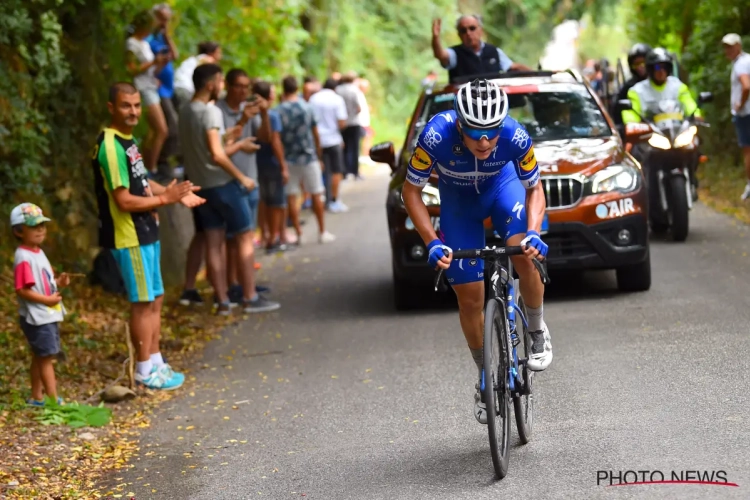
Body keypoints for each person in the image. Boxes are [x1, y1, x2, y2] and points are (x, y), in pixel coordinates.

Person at [402, 79, 551, 424]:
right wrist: (432, 241)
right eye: (474, 132)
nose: (484, 141)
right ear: (459, 124)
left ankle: (537, 330)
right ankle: (485, 376)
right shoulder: (435, 136)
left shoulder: (515, 135)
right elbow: (411, 192)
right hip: (458, 203)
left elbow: (535, 189)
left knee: (522, 255)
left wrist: (532, 231)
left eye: (491, 132)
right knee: (469, 297)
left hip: (502, 189)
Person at [92, 82, 205, 389]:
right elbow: (124, 200)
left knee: (155, 297)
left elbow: (143, 182)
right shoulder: (111, 146)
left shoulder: (129, 142)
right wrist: (164, 200)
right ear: (111, 108)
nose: (133, 112)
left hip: (146, 232)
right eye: (126, 106)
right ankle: (144, 368)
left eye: (137, 105)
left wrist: (172, 192)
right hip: (129, 236)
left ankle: (156, 361)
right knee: (142, 302)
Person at [179, 64, 280, 315]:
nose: (222, 86)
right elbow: (217, 154)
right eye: (221, 82)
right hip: (223, 184)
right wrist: (242, 177)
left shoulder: (185, 110)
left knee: (213, 241)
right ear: (211, 84)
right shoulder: (211, 112)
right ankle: (249, 296)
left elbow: (215, 143)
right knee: (245, 236)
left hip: (202, 186)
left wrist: (240, 129)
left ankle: (223, 301)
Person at [215, 68, 274, 303]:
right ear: (228, 86)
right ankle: (233, 286)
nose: (243, 91)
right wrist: (244, 119)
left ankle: (244, 282)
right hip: (228, 180)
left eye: (246, 86)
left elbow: (265, 138)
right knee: (233, 239)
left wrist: (265, 113)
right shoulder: (217, 110)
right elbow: (222, 144)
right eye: (238, 86)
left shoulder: (249, 108)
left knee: (245, 237)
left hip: (250, 179)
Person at [11, 203, 70, 406]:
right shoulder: (23, 257)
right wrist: (47, 300)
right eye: (34, 226)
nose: (40, 230)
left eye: (42, 226)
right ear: (19, 231)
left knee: (40, 355)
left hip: (46, 314)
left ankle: (37, 397)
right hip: (37, 317)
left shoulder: (37, 252)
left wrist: (58, 283)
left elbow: (43, 280)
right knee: (46, 358)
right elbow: (22, 290)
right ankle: (53, 401)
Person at [277, 75, 336, 244]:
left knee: (292, 196)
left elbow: (277, 137)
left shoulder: (278, 111)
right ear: (297, 88)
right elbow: (315, 133)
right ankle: (322, 231)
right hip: (309, 156)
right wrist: (319, 155)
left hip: (288, 158)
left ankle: (299, 233)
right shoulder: (307, 108)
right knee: (317, 192)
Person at [125, 10, 169, 176]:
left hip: (151, 86)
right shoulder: (131, 44)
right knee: (161, 130)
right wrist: (153, 62)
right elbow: (132, 69)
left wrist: (160, 64)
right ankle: (151, 169)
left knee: (152, 131)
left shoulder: (144, 43)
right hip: (143, 89)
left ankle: (142, 165)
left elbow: (150, 69)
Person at [431, 15, 531, 82]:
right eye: (463, 30)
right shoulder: (455, 54)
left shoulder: (494, 52)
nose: (468, 33)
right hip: (465, 108)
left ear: (481, 30)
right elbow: (441, 55)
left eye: (472, 28)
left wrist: (538, 75)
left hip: (493, 108)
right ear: (459, 34)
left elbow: (512, 67)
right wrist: (436, 38)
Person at [253, 80, 291, 252]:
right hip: (272, 163)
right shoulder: (271, 115)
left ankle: (267, 234)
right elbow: (275, 141)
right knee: (277, 203)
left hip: (257, 164)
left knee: (265, 202)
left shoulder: (249, 114)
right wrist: (283, 165)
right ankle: (275, 238)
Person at [621, 48, 702, 126]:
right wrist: (631, 123)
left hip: (678, 131)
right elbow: (630, 114)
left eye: (665, 67)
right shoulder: (636, 91)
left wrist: (696, 115)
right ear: (650, 69)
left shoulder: (678, 86)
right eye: (657, 67)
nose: (661, 71)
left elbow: (689, 104)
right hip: (650, 135)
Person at [146, 3, 180, 179]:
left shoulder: (162, 37)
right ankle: (159, 163)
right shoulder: (147, 39)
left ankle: (156, 163)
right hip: (156, 89)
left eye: (167, 20)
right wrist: (156, 69)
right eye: (161, 19)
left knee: (159, 130)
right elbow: (147, 66)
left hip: (168, 88)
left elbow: (175, 55)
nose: (163, 23)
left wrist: (167, 35)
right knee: (169, 127)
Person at [309, 77, 349, 213]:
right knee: (336, 171)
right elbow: (342, 122)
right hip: (333, 140)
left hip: (317, 140)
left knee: (321, 170)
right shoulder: (337, 99)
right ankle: (333, 200)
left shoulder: (313, 99)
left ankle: (318, 199)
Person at [722, 34, 750, 201]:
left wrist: (740, 103)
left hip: (745, 114)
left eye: (731, 47)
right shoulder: (747, 60)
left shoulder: (740, 64)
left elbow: (746, 86)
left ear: (739, 46)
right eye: (726, 47)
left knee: (747, 150)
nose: (728, 50)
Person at [612, 43, 652, 127]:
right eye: (636, 64)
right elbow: (617, 113)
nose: (640, 67)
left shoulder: (664, 83)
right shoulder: (628, 87)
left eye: (643, 63)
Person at [173, 41, 222, 106]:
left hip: (176, 86)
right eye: (218, 53)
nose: (221, 56)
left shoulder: (194, 59)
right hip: (186, 89)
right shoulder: (207, 60)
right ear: (211, 53)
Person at [336, 71, 364, 180]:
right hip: (354, 122)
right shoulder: (355, 90)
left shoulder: (338, 90)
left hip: (342, 123)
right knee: (355, 147)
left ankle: (345, 171)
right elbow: (358, 107)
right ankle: (355, 171)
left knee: (345, 147)